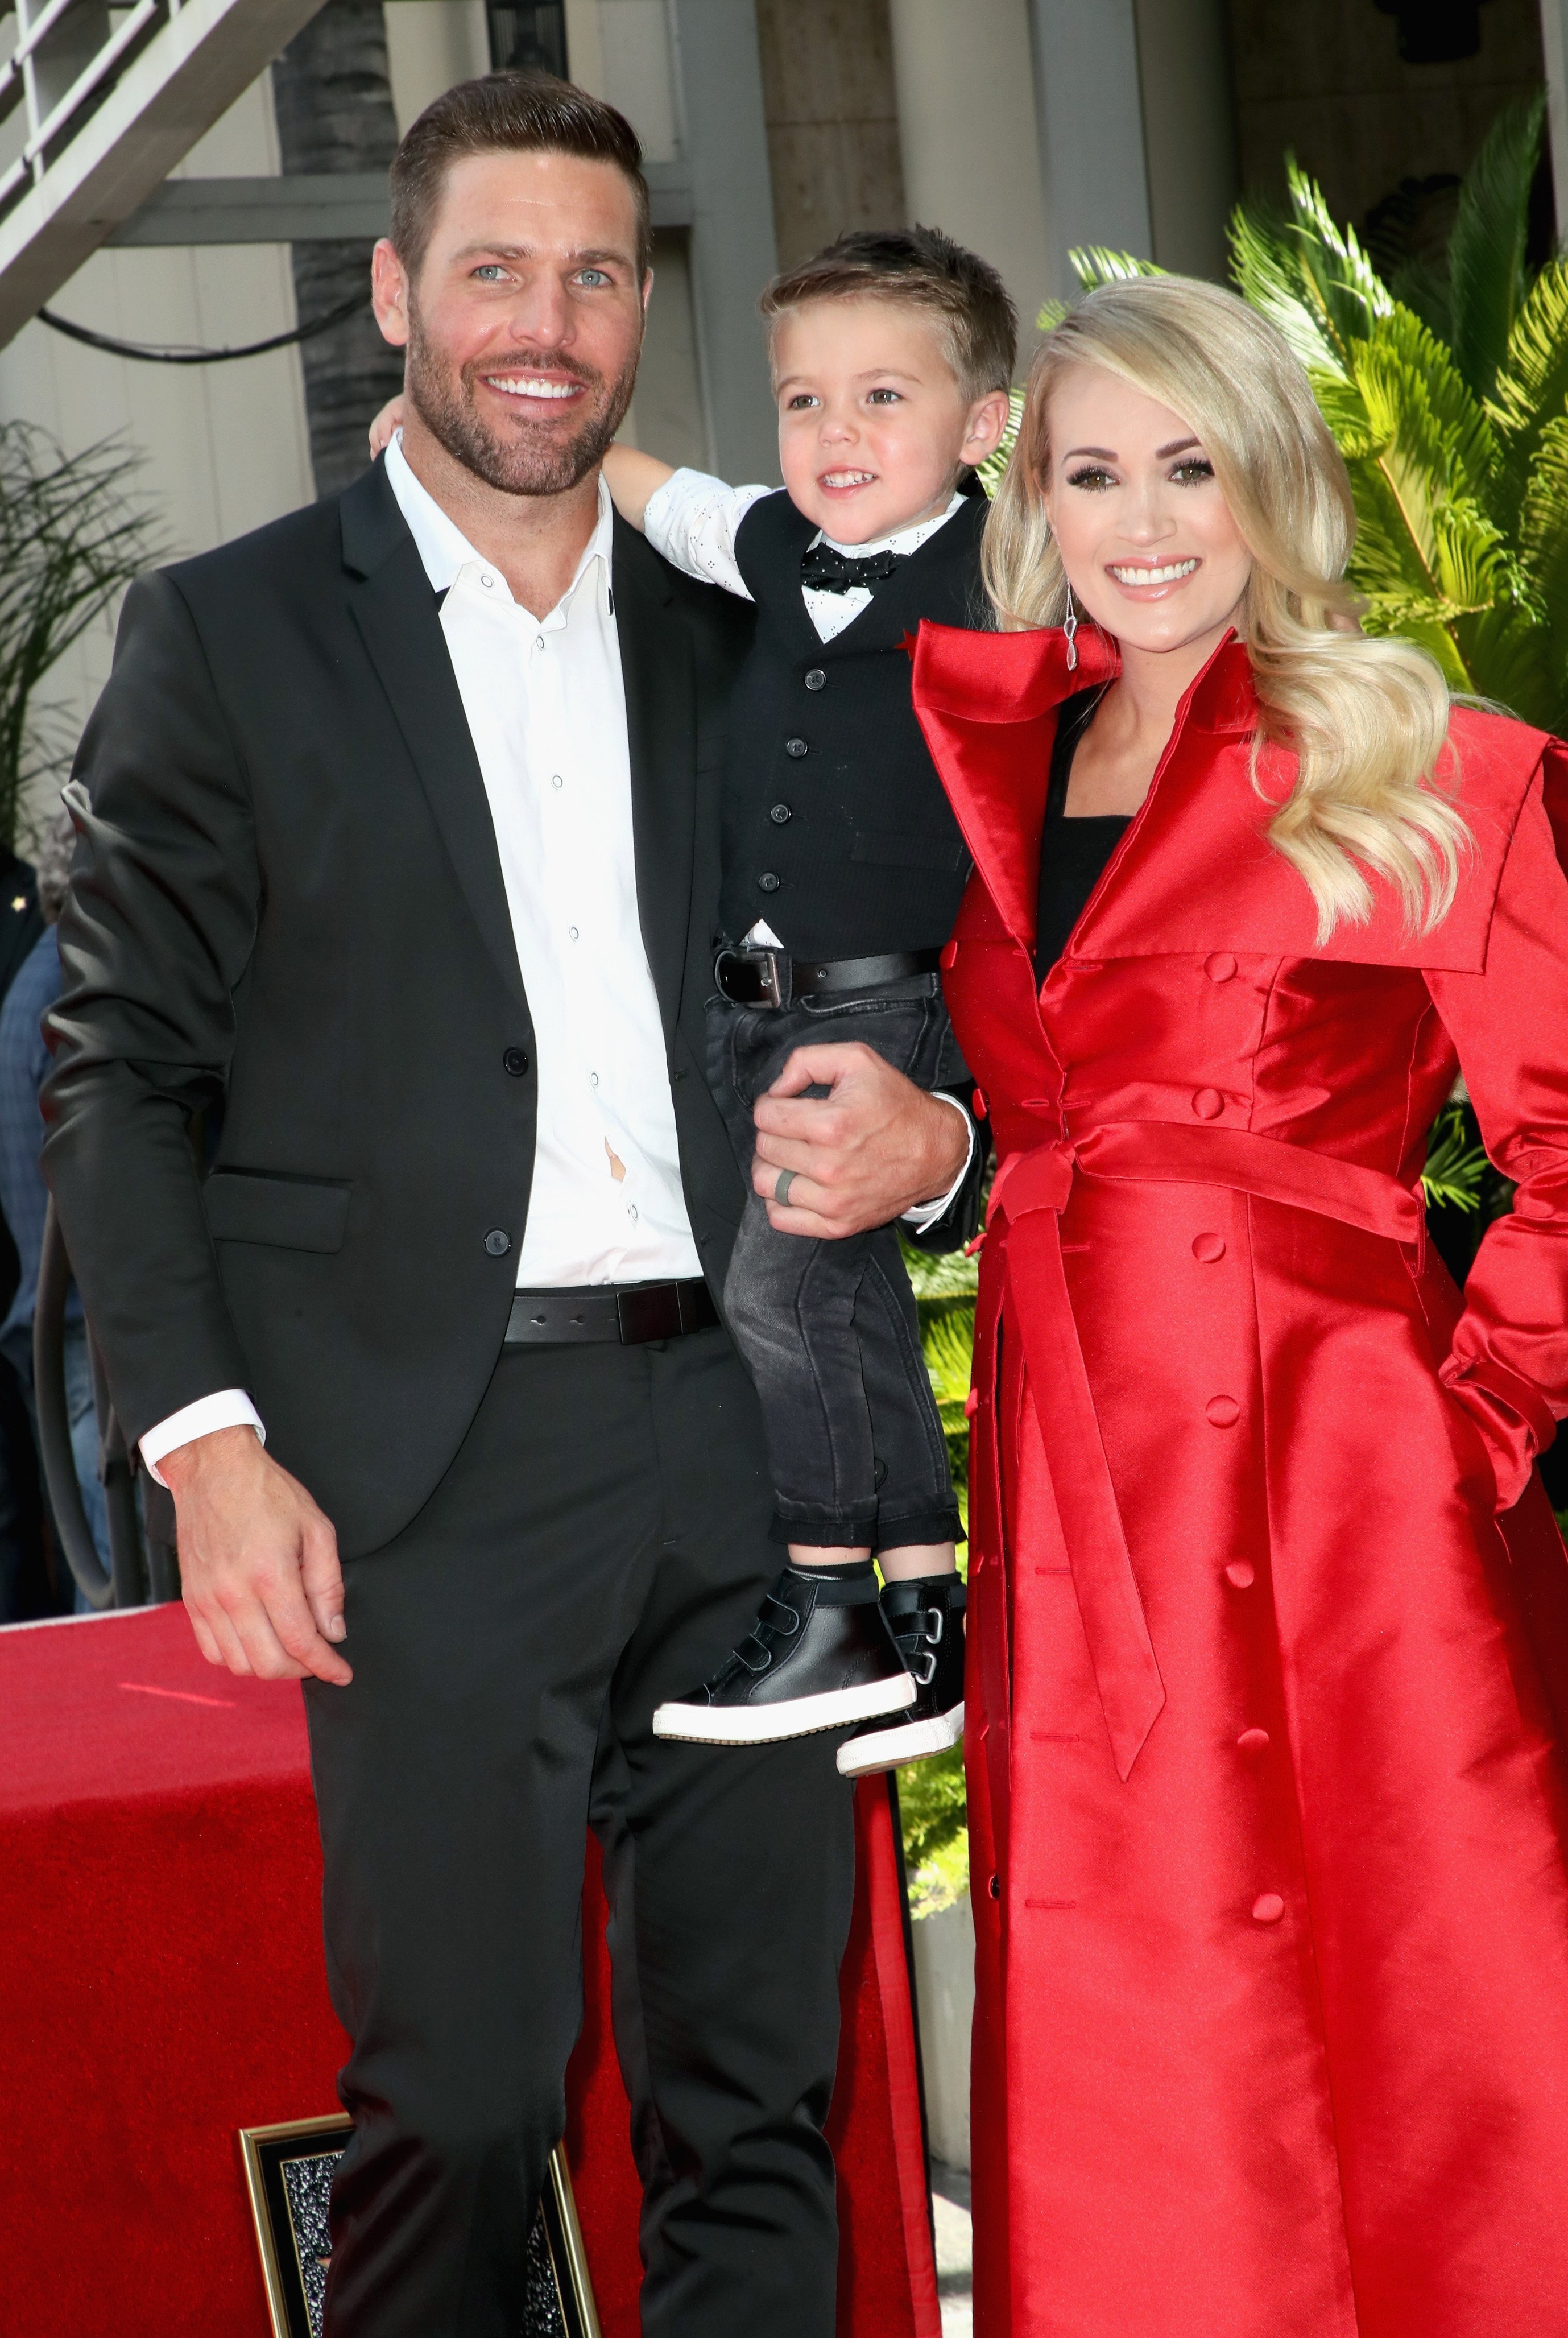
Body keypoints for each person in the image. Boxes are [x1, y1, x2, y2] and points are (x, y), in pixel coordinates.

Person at [41, 73, 973, 2338]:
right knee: (457, 2099)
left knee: (761, 2095)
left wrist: (935, 1149)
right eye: (489, 270)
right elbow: (122, 1067)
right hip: (423, 1470)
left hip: (747, 1460)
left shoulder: (737, 634)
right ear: (390, 296)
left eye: (586, 273)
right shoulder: (232, 634)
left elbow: (915, 955)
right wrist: (204, 1439)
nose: (540, 324)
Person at [912, 274, 1568, 2334]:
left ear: (1269, 475)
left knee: (1417, 2002)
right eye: (1090, 469)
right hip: (1062, 1459)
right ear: (1031, 495)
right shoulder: (988, 755)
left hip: (1340, 1500)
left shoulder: (1427, 756)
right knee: (1141, 1988)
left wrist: (1446, 1428)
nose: (1140, 517)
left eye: (1185, 462)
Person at [373, 224, 1010, 1773]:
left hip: (873, 1007)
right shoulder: (776, 548)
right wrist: (450, 434)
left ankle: (819, 1594)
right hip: (745, 1007)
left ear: (980, 426)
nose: (833, 436)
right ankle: (923, 1612)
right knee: (836, 1296)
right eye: (801, 402)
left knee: (775, 1290)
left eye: (879, 399)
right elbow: (660, 494)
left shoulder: (1004, 576)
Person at [0, 807, 111, 1604]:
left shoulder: (31, 985)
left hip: (56, 1316)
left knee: (98, 1564)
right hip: (83, 1326)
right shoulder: (70, 999)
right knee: (112, 1569)